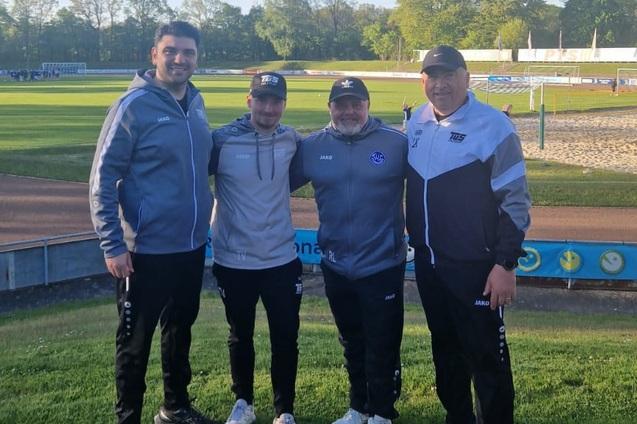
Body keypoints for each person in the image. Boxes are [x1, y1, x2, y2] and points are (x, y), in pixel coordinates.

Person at [89, 21, 213, 424]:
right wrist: (112, 245)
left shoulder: (196, 102)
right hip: (144, 251)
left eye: (188, 52)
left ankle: (175, 407)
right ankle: (128, 417)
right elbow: (102, 178)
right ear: (154, 54)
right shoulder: (132, 106)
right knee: (134, 343)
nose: (180, 59)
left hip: (190, 246)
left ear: (197, 57)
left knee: (179, 331)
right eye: (171, 50)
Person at [405, 45, 531, 424]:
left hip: (477, 269)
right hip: (429, 265)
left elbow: (516, 201)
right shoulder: (416, 122)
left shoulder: (494, 126)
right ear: (422, 80)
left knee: (487, 359)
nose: (440, 85)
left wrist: (505, 264)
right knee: (446, 354)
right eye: (433, 76)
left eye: (449, 75)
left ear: (467, 78)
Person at [290, 77, 408, 424]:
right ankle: (359, 408)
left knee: (382, 341)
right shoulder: (312, 147)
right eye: (341, 105)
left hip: (382, 263)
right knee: (351, 341)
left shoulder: (396, 144)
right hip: (336, 264)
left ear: (368, 106)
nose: (349, 111)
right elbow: (270, 182)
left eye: (356, 104)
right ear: (330, 108)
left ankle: (382, 412)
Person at [209, 72, 303, 424]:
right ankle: (243, 403)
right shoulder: (221, 141)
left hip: (281, 259)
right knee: (240, 335)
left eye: (276, 101)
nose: (268, 108)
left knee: (285, 337)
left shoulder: (292, 140)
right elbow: (187, 176)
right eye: (261, 99)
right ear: (249, 101)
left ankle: (285, 410)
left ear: (284, 104)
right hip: (234, 261)